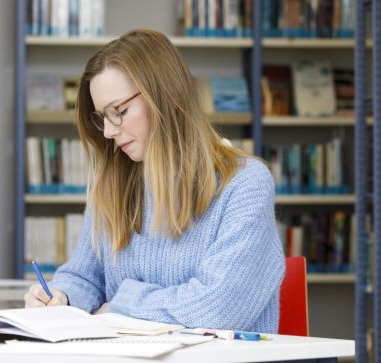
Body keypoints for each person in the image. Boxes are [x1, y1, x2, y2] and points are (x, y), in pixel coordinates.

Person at [24, 29, 285, 333]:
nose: (108, 132)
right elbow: (85, 276)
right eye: (101, 117)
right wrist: (61, 297)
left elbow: (216, 308)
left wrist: (120, 303)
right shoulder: (111, 182)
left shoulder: (245, 184)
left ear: (168, 97)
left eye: (119, 111)